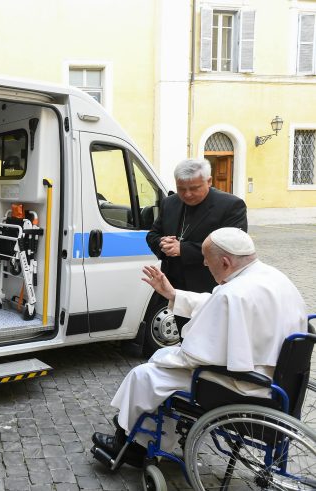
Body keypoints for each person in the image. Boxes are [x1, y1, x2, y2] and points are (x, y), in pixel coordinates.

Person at [92, 228, 307, 465]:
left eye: (207, 258)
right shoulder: (273, 278)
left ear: (225, 262)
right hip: (275, 380)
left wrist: (164, 358)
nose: (204, 263)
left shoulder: (234, 293)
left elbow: (196, 355)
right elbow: (218, 302)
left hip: (242, 384)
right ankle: (146, 436)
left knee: (145, 375)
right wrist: (173, 294)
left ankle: (133, 445)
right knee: (160, 367)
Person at [146, 159, 247, 295]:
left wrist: (183, 249)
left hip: (209, 287)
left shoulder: (231, 205)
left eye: (194, 188)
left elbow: (232, 246)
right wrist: (163, 243)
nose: (187, 194)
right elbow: (153, 235)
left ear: (209, 181)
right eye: (181, 189)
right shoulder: (169, 203)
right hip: (172, 285)